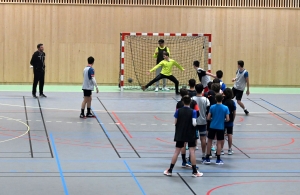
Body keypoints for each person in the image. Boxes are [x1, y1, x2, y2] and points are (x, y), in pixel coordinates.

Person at [164, 95, 203, 177]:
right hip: (190, 133)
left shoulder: (178, 111)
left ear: (183, 102)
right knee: (192, 151)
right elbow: (194, 123)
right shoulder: (193, 112)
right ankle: (195, 171)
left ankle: (170, 170)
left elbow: (175, 122)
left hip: (180, 133)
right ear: (190, 102)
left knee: (176, 151)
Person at [175, 88, 199, 166]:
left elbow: (176, 116)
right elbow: (197, 113)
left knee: (183, 144)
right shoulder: (193, 103)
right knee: (192, 147)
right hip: (191, 128)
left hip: (181, 127)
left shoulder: (179, 104)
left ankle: (183, 161)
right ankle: (190, 162)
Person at [203, 93, 229, 165]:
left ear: (215, 99)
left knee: (209, 141)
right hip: (220, 127)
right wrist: (222, 120)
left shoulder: (212, 107)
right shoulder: (225, 108)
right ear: (222, 99)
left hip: (212, 126)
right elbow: (227, 119)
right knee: (219, 142)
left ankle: (207, 157)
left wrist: (212, 119)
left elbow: (208, 118)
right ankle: (218, 159)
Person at [192, 84, 210, 161]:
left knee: (193, 139)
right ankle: (203, 154)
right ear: (202, 90)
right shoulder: (206, 100)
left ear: (195, 90)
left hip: (194, 122)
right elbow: (208, 111)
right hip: (203, 121)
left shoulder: (192, 99)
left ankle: (192, 156)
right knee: (203, 139)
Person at [222, 88, 236, 155]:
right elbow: (234, 112)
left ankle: (221, 149)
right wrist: (233, 119)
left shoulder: (223, 101)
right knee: (230, 134)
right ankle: (230, 149)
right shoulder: (232, 102)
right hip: (230, 120)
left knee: (223, 135)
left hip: (223, 120)